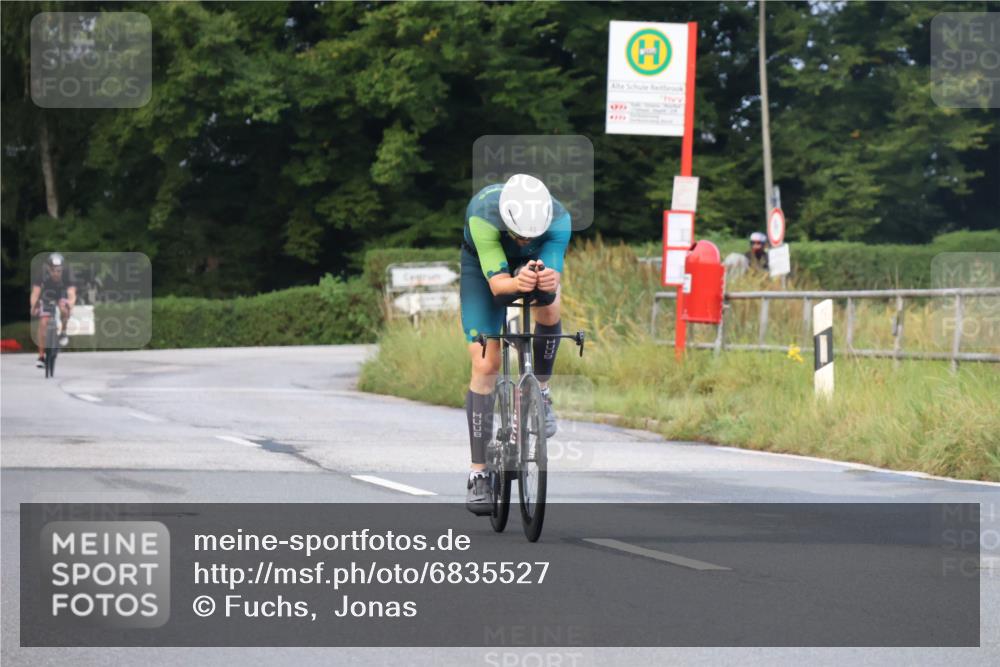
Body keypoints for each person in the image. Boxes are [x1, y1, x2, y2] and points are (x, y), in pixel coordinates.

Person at [460, 174, 571, 514]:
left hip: (531, 265)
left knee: (551, 307)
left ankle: (541, 389)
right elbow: (498, 287)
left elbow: (549, 284)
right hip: (484, 272)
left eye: (531, 235)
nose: (524, 240)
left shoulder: (559, 219)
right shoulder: (482, 214)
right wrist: (515, 281)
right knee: (486, 364)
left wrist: (544, 280)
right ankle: (478, 474)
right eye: (519, 234)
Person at [30, 252, 76, 368]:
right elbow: (35, 294)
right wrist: (34, 306)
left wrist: (70, 304)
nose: (56, 273)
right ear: (48, 269)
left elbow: (72, 294)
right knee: (43, 323)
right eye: (53, 270)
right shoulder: (41, 274)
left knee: (64, 310)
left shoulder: (67, 274)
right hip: (47, 296)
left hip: (61, 294)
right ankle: (41, 356)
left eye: (59, 270)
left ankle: (63, 332)